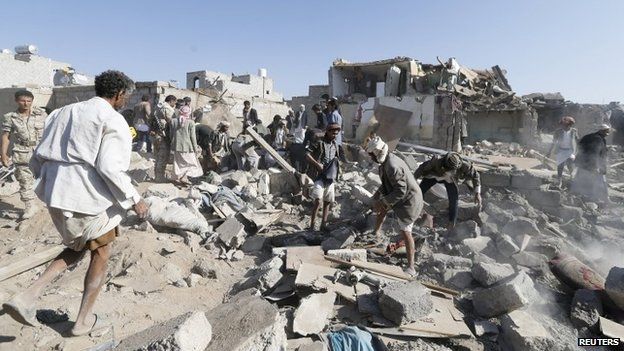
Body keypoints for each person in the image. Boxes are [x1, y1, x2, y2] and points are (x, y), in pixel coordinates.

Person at [2, 71, 148, 336]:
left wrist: (46, 182)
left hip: (55, 193)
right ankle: (81, 322)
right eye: (126, 95)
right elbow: (109, 167)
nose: (125, 100)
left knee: (79, 245)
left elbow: (38, 154)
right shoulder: (112, 120)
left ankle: (27, 297)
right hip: (87, 198)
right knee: (101, 252)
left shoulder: (62, 112)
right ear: (118, 95)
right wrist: (135, 199)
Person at [366, 136, 423, 276]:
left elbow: (401, 191)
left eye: (372, 155)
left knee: (406, 231)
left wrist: (383, 202)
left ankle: (411, 267)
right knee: (382, 208)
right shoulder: (386, 162)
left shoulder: (392, 165)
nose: (371, 158)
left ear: (378, 153)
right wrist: (377, 195)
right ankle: (376, 232)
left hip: (410, 201)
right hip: (401, 196)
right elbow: (387, 183)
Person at [1, 90, 47, 219]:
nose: (26, 103)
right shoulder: (10, 117)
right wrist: (3, 154)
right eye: (23, 101)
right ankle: (30, 206)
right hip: (22, 152)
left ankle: (50, 203)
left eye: (29, 101)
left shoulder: (41, 114)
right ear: (17, 101)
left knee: (47, 178)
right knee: (24, 180)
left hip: (41, 151)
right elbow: (6, 137)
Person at [413, 152, 482, 229]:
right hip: (434, 177)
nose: (451, 172)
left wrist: (477, 193)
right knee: (419, 193)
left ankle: (451, 223)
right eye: (449, 170)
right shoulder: (436, 161)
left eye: (453, 170)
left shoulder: (465, 165)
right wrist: (413, 180)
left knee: (453, 199)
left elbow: (476, 175)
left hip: (451, 181)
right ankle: (412, 210)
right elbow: (421, 169)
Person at [306, 123, 341, 231]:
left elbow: (336, 159)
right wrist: (317, 164)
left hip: (330, 177)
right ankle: (312, 225)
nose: (334, 135)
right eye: (333, 133)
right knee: (318, 201)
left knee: (327, 202)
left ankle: (323, 225)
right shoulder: (319, 142)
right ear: (328, 132)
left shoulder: (335, 145)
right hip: (318, 176)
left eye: (336, 134)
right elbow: (307, 155)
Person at [571, 124, 611, 204]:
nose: (607, 134)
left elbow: (579, 145)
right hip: (594, 165)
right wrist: (596, 166)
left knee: (579, 179)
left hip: (583, 162)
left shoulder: (589, 136)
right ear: (601, 131)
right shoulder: (598, 139)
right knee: (600, 182)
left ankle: (575, 194)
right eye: (606, 132)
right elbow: (594, 153)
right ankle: (605, 200)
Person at [170, 105, 203, 183]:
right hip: (187, 147)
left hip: (176, 146)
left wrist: (173, 144)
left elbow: (171, 134)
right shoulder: (191, 122)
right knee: (193, 164)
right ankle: (185, 177)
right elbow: (193, 137)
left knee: (178, 163)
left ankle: (178, 178)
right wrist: (195, 148)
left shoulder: (173, 121)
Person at [549, 116, 579, 188]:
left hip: (570, 151)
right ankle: (559, 181)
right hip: (561, 150)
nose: (563, 126)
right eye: (562, 124)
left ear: (569, 125)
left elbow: (577, 141)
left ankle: (573, 182)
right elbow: (553, 142)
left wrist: (578, 151)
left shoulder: (574, 131)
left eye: (565, 125)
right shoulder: (558, 131)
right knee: (560, 166)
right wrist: (549, 152)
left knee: (570, 166)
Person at [152, 95, 177, 182]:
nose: (175, 104)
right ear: (171, 101)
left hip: (156, 135)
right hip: (163, 136)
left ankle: (157, 176)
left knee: (158, 157)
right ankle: (159, 178)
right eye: (174, 102)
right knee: (162, 157)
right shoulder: (167, 108)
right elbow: (171, 122)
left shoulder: (158, 107)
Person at [289, 106, 308, 173]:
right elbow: (295, 119)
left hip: (302, 125)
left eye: (302, 107)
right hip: (298, 125)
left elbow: (306, 119)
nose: (302, 108)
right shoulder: (297, 113)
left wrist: (306, 124)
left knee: (302, 135)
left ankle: (301, 141)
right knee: (297, 134)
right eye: (301, 107)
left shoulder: (305, 113)